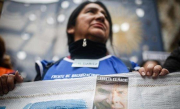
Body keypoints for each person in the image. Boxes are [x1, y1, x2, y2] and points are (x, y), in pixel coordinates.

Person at [0, 1, 169, 96]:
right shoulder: (44, 70)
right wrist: (11, 89)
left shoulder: (130, 68)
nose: (101, 16)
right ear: (71, 27)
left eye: (105, 16)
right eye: (91, 11)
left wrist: (155, 81)